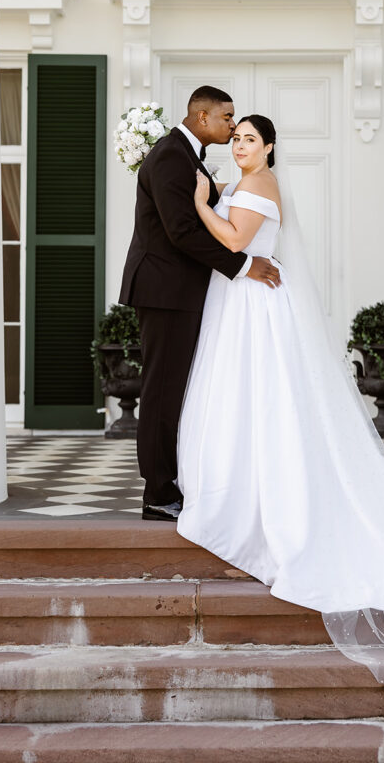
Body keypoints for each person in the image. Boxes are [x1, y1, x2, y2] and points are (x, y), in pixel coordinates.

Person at [176, 113, 384, 684]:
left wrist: (199, 203)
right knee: (239, 397)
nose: (239, 146)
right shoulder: (243, 183)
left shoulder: (258, 185)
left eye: (249, 139)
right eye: (235, 139)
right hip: (239, 300)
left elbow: (234, 240)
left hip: (255, 307)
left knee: (262, 396)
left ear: (270, 147)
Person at [118, 88, 281, 522]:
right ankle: (157, 494)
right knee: (161, 392)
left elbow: (203, 201)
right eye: (228, 119)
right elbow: (182, 233)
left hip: (174, 291)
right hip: (165, 292)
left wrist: (234, 190)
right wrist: (244, 264)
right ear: (203, 116)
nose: (232, 128)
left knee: (172, 390)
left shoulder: (182, 154)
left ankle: (170, 485)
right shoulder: (172, 155)